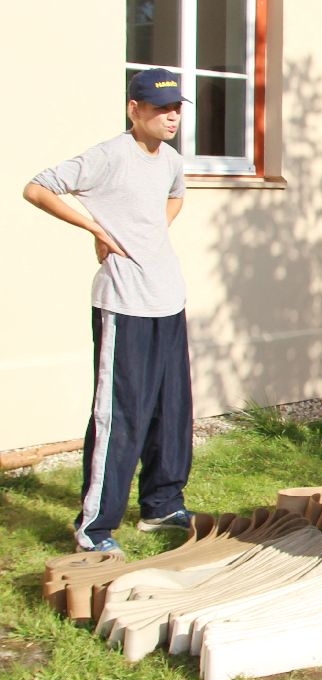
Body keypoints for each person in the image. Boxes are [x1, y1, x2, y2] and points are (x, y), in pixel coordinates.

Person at [23, 68, 196, 557]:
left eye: (176, 108)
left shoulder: (171, 161)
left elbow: (176, 197)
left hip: (168, 298)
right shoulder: (109, 156)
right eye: (161, 108)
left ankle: (162, 502)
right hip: (125, 303)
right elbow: (37, 188)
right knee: (120, 415)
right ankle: (94, 526)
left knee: (171, 410)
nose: (171, 117)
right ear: (134, 110)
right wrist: (98, 231)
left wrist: (150, 237)